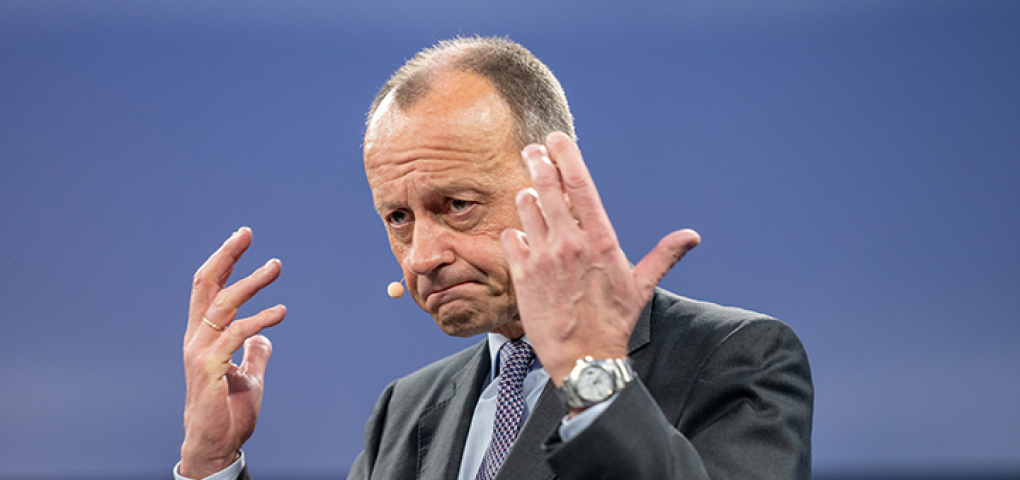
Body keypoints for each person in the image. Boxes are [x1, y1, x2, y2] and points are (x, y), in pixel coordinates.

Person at [176, 36, 813, 480]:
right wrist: (212, 463)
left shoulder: (734, 359)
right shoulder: (407, 410)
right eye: (398, 218)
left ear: (557, 187)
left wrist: (592, 377)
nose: (422, 257)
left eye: (457, 205)